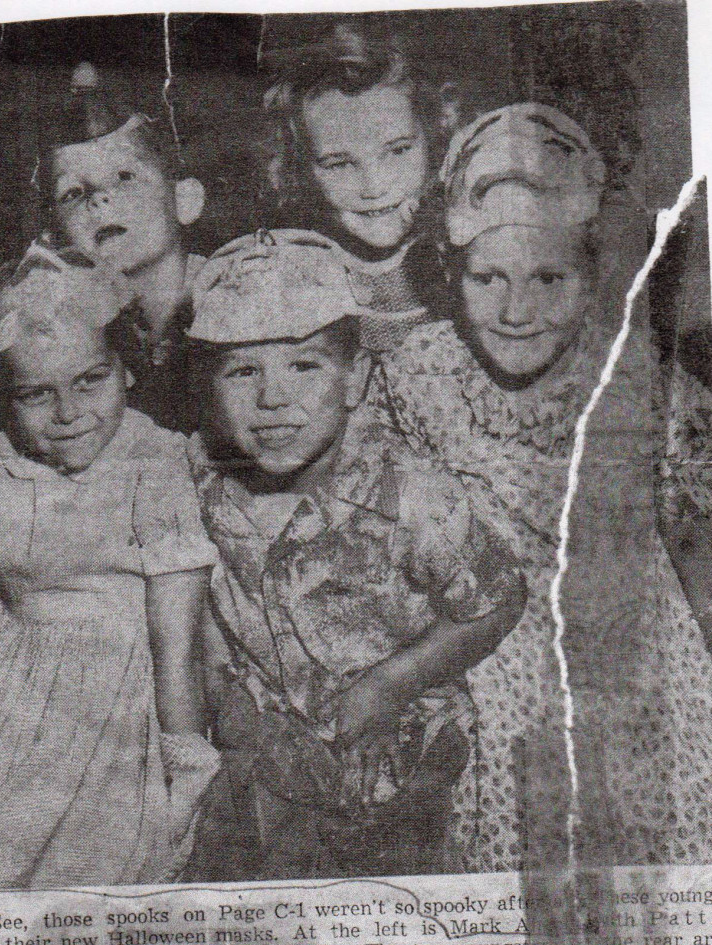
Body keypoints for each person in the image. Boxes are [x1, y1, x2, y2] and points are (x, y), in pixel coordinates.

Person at [362, 103, 712, 869]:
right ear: (451, 272)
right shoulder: (418, 375)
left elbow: (698, 546)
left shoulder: (637, 379)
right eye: (488, 279)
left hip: (643, 675)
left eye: (547, 279)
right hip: (489, 681)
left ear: (592, 276)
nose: (516, 312)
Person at [183, 229, 525, 880]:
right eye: (243, 370)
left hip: (404, 751)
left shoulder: (412, 495)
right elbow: (200, 608)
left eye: (304, 365)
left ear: (355, 379)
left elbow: (498, 599)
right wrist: (226, 696)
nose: (273, 398)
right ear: (208, 388)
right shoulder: (202, 488)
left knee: (402, 894)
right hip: (273, 755)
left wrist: (391, 682)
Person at [0, 242, 220, 890]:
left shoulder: (159, 467)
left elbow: (178, 643)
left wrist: (187, 763)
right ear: (2, 395)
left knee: (99, 892)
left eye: (91, 380)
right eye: (36, 394)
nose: (68, 414)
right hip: (11, 713)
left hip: (122, 722)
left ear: (128, 367)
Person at [262, 21, 457, 358]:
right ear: (301, 169)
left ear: (434, 139)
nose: (374, 187)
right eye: (340, 164)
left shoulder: (467, 259)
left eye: (397, 151)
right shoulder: (286, 277)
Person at [33, 63, 207, 434]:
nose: (99, 200)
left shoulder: (233, 295)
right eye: (73, 194)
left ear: (185, 199)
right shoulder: (65, 334)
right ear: (53, 241)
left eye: (125, 177)